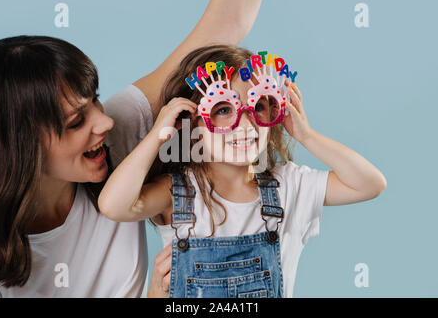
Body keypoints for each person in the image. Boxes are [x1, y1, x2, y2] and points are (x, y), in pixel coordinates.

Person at [0, 0, 262, 297]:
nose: (104, 122)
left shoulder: (118, 136)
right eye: (77, 121)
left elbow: (228, 20)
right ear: (22, 146)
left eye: (95, 99)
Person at [98, 45, 387, 297]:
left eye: (258, 106)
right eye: (223, 109)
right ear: (191, 123)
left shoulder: (288, 187)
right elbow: (113, 205)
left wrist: (307, 135)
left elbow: (369, 183)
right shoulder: (177, 193)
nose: (245, 122)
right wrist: (157, 136)